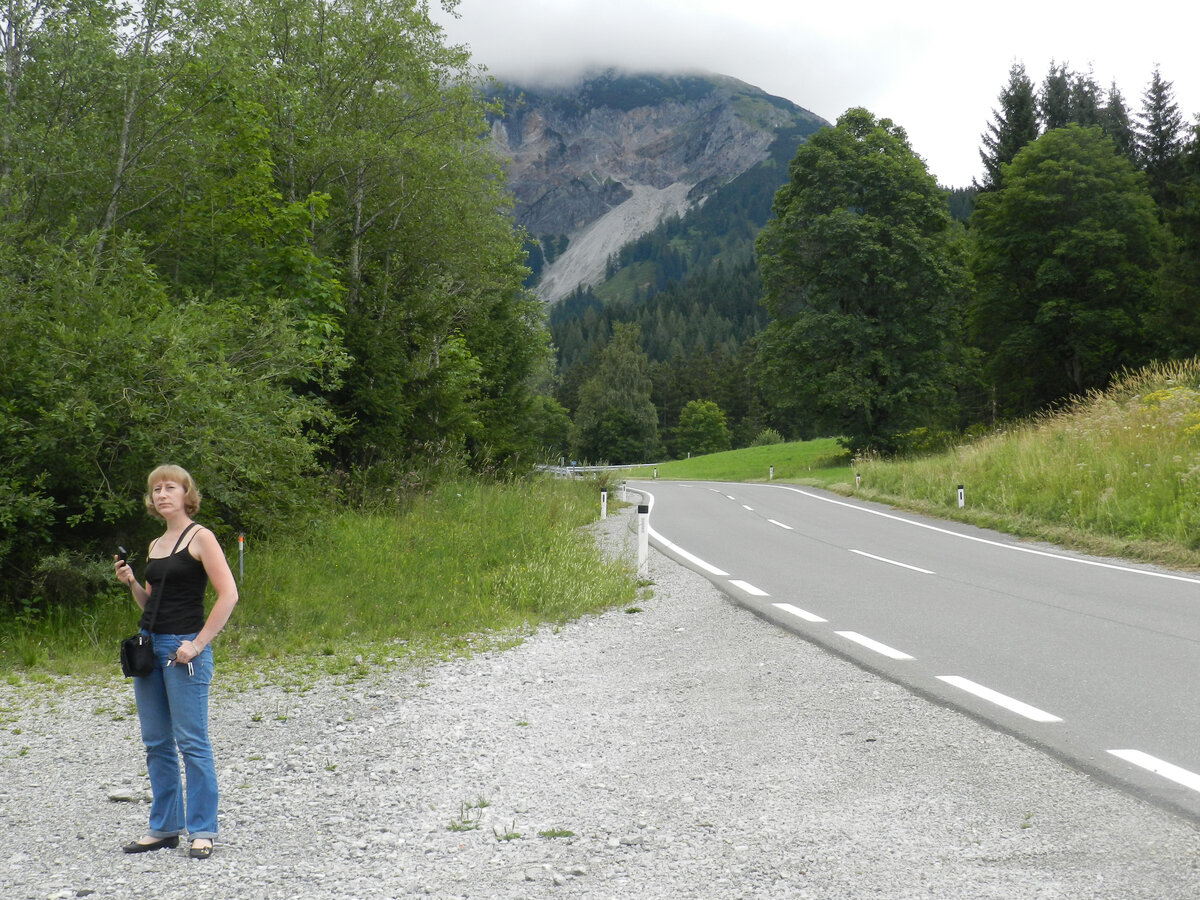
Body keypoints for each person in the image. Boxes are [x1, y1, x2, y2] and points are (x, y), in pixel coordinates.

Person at [113, 465, 238, 859]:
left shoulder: (201, 538)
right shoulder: (155, 544)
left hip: (183, 650)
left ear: (186, 494)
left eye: (170, 488)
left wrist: (197, 645)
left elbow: (228, 595)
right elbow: (153, 605)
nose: (162, 494)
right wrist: (132, 583)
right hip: (150, 647)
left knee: (192, 742)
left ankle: (202, 830)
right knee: (156, 743)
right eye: (155, 489)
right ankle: (165, 827)